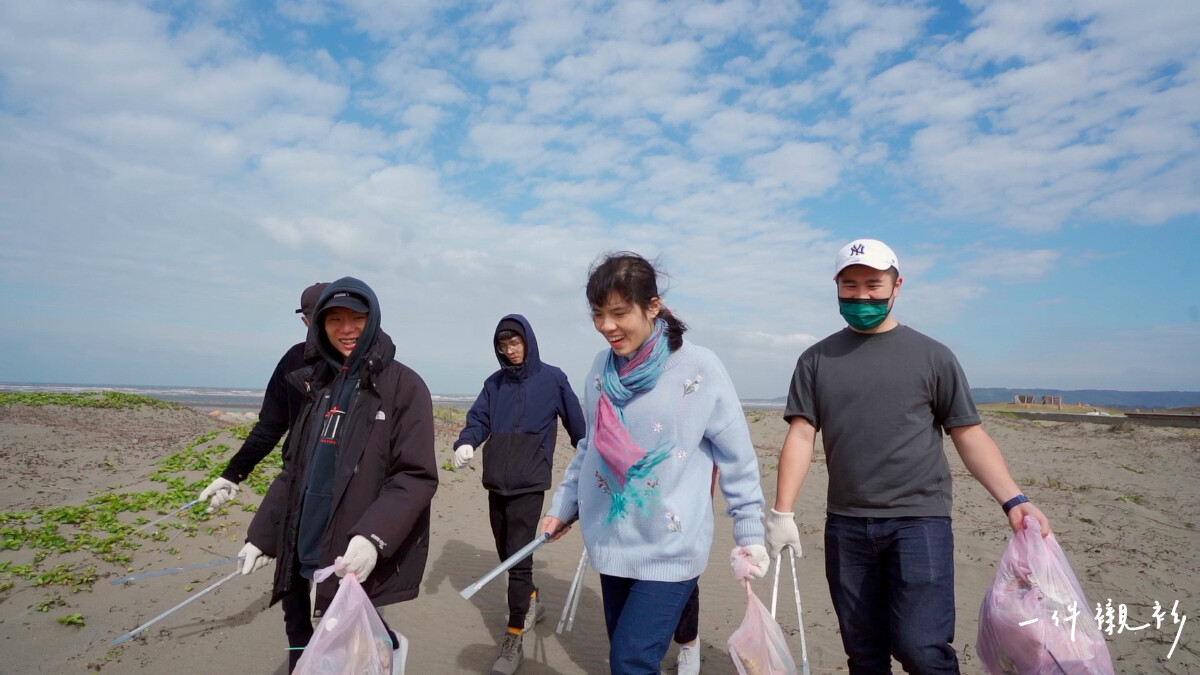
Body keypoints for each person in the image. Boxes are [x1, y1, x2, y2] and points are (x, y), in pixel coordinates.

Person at [764, 238, 1052, 674]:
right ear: (837, 287)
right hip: (847, 525)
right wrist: (782, 512)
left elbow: (968, 434)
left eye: (874, 284)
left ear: (897, 285)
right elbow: (802, 435)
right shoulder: (816, 359)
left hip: (920, 523)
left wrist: (1014, 500)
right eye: (851, 284)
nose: (862, 295)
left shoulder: (933, 356)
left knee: (923, 650)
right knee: (864, 654)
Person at [540, 252, 769, 675]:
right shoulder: (599, 370)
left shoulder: (699, 369)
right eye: (598, 314)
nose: (607, 326)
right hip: (611, 543)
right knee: (625, 657)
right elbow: (591, 449)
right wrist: (563, 507)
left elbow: (737, 455)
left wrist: (750, 529)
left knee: (631, 662)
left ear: (653, 306)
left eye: (619, 313)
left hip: (671, 549)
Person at [237, 277, 439, 674]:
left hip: (354, 542)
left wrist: (372, 538)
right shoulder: (319, 383)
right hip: (306, 536)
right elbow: (296, 470)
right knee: (315, 629)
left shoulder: (404, 387)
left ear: (374, 319)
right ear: (319, 325)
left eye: (357, 318)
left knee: (353, 643)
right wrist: (262, 536)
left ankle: (389, 648)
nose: (346, 329)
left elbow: (415, 476)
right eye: (334, 319)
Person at [451, 314, 586, 675]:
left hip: (530, 483)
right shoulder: (493, 384)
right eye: (504, 345)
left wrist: (593, 463)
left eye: (515, 343)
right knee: (505, 553)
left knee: (517, 561)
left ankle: (513, 638)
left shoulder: (553, 379)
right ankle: (532, 601)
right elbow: (478, 419)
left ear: (528, 341)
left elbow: (579, 428)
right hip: (496, 483)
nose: (510, 351)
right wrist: (467, 442)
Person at [199, 281, 327, 512]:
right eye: (318, 317)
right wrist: (233, 474)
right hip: (301, 473)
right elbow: (269, 427)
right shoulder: (294, 361)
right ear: (306, 321)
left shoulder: (374, 366)